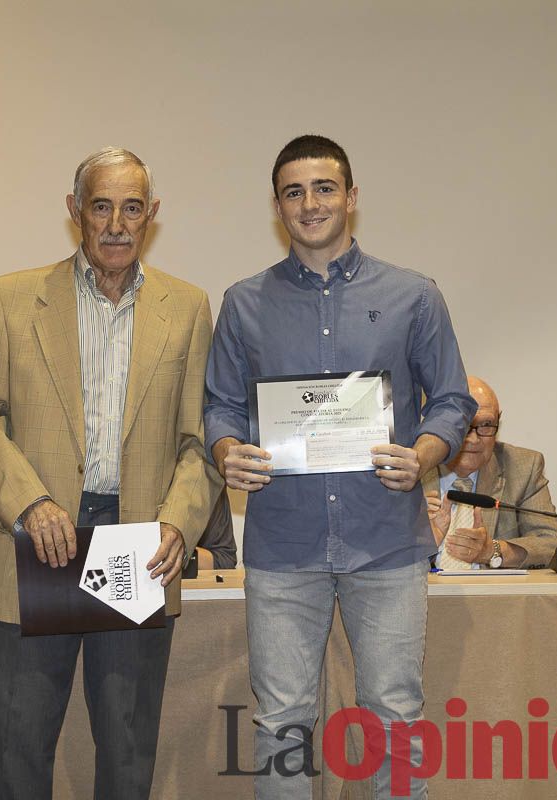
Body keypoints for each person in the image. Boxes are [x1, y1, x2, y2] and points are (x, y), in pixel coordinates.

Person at [204, 134, 475, 799]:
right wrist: (227, 451)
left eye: (324, 188)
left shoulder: (414, 295)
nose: (310, 204)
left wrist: (423, 455)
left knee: (395, 721)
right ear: (277, 206)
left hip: (385, 541)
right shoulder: (243, 303)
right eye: (293, 192)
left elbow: (451, 400)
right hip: (283, 545)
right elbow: (220, 407)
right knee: (282, 726)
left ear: (351, 197)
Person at [0, 146, 216, 799]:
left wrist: (178, 523)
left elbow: (201, 441)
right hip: (35, 541)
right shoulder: (9, 300)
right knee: (15, 748)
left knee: (127, 753)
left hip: (138, 548)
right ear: (75, 210)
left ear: (153, 214)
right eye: (102, 206)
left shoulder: (187, 308)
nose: (117, 225)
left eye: (132, 208)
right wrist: (30, 502)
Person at [424, 376, 557, 569]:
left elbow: (552, 543)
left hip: (490, 589)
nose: (473, 439)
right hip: (425, 588)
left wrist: (492, 551)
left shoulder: (523, 467)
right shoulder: (410, 471)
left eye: (486, 425)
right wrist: (420, 542)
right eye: (462, 425)